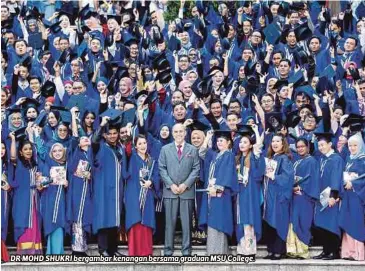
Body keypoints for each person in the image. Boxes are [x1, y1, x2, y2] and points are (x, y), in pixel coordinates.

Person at [158, 123, 200, 256]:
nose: (178, 134)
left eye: (181, 131)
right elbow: (162, 168)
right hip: (170, 191)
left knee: (186, 223)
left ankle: (186, 250)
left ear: (185, 133)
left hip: (186, 191)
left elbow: (196, 169)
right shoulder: (165, 149)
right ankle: (168, 250)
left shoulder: (192, 150)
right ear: (172, 133)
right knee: (169, 223)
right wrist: (171, 185)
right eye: (176, 132)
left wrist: (185, 184)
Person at [91, 115, 128, 256]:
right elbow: (94, 140)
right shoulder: (100, 147)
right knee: (103, 217)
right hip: (103, 189)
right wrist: (102, 125)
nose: (112, 136)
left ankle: (113, 249)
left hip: (117, 190)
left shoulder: (120, 148)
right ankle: (103, 249)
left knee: (115, 219)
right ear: (105, 135)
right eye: (109, 134)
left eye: (114, 133)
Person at [198, 129, 239, 255]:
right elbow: (202, 152)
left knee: (219, 220)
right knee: (212, 219)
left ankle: (219, 252)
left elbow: (227, 173)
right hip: (211, 192)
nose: (219, 142)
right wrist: (207, 138)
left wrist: (219, 187)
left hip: (220, 193)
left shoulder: (228, 155)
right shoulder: (216, 155)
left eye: (222, 140)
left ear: (228, 143)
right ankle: (212, 251)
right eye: (218, 141)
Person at [125, 135, 159, 256]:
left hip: (147, 193)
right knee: (135, 221)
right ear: (135, 146)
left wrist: (151, 182)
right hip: (133, 194)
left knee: (146, 221)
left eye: (144, 143)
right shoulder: (131, 158)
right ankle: (134, 252)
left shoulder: (151, 160)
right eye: (139, 144)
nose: (142, 146)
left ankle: (146, 252)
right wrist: (129, 136)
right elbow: (127, 150)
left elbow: (156, 175)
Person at [286, 138, 320, 259]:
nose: (300, 149)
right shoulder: (297, 161)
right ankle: (294, 249)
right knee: (294, 220)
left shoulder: (312, 161)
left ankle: (303, 250)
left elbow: (314, 179)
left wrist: (301, 188)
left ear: (308, 147)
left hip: (304, 197)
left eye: (302, 146)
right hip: (295, 197)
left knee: (302, 222)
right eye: (298, 147)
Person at [313, 133, 344, 260]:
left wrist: (333, 195)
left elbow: (336, 178)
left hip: (331, 196)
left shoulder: (336, 159)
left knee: (331, 223)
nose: (320, 147)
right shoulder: (322, 159)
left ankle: (334, 251)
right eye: (319, 145)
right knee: (322, 224)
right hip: (321, 196)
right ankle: (326, 251)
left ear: (330, 144)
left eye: (323, 145)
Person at [235, 125, 265, 257]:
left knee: (249, 220)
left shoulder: (253, 156)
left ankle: (250, 250)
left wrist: (255, 131)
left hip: (251, 192)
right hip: (241, 192)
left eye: (245, 142)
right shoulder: (239, 158)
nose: (242, 144)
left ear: (250, 145)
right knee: (242, 220)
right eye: (240, 142)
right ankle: (243, 248)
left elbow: (259, 146)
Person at [10, 135, 43, 255]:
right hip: (22, 199)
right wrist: (13, 139)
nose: (28, 151)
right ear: (21, 152)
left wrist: (40, 183)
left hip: (34, 199)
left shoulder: (35, 164)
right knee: (23, 221)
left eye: (30, 149)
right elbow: (12, 156)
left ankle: (35, 251)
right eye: (25, 149)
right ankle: (25, 252)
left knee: (34, 223)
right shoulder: (18, 163)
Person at [263, 133, 294, 260]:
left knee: (278, 222)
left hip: (279, 196)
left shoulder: (284, 158)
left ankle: (278, 251)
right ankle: (271, 250)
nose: (274, 143)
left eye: (277, 141)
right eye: (273, 141)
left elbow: (288, 178)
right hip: (269, 195)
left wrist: (275, 176)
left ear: (283, 144)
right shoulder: (271, 158)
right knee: (269, 222)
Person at [339, 133, 365, 261]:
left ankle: (357, 253)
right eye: (350, 145)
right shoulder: (349, 159)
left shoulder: (363, 159)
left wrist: (353, 183)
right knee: (348, 221)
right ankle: (348, 252)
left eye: (355, 145)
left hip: (357, 196)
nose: (352, 148)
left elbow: (363, 178)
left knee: (355, 222)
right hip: (348, 195)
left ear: (360, 146)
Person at [40, 143, 68, 255]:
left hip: (61, 199)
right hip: (49, 198)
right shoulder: (48, 164)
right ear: (51, 153)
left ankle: (58, 252)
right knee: (50, 222)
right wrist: (46, 181)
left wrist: (67, 183)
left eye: (59, 151)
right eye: (54, 151)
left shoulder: (67, 165)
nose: (57, 153)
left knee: (60, 222)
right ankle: (50, 252)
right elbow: (42, 182)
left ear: (63, 152)